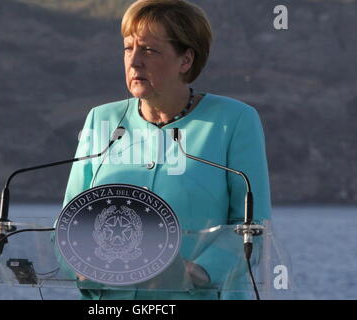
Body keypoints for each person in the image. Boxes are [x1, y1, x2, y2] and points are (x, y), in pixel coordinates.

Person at [58, 0, 272, 300]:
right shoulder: (101, 120)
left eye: (149, 50)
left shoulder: (233, 122)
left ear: (185, 61)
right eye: (128, 48)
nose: (134, 62)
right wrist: (78, 268)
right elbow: (69, 222)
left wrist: (199, 272)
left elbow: (253, 225)